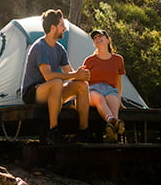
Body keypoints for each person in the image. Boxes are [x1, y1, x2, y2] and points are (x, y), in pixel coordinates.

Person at [21, 9, 92, 143]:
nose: (65, 28)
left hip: (54, 90)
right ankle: (53, 131)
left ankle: (83, 131)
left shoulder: (59, 49)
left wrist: (81, 75)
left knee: (82, 86)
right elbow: (48, 76)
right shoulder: (40, 47)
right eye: (62, 25)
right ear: (53, 28)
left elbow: (69, 73)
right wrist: (74, 75)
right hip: (33, 92)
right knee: (57, 82)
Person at [80, 30, 126, 143]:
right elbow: (83, 79)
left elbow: (118, 82)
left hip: (111, 90)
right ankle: (112, 121)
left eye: (101, 36)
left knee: (113, 101)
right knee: (99, 98)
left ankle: (113, 133)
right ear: (94, 43)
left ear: (108, 40)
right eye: (95, 38)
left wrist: (119, 99)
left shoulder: (118, 59)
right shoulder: (90, 60)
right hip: (92, 90)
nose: (97, 39)